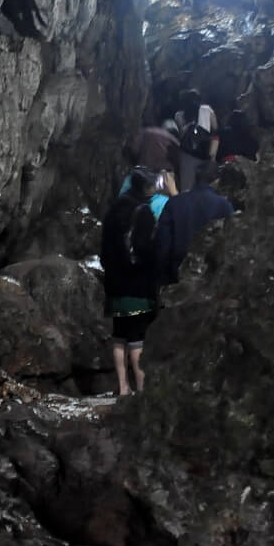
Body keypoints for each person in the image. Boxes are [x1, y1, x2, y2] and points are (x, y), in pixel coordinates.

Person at [99, 166, 163, 395]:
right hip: (137, 284)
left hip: (115, 284)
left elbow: (104, 251)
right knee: (137, 337)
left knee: (119, 335)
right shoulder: (143, 212)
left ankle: (123, 386)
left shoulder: (114, 210)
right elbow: (147, 250)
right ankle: (141, 387)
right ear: (145, 188)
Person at [154, 162, 236, 284]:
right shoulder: (224, 206)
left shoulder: (174, 203)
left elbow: (163, 244)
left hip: (176, 274)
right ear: (216, 181)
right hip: (210, 277)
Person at [173, 89, 218, 191]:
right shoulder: (207, 109)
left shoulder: (179, 115)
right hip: (205, 150)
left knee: (187, 184)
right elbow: (215, 128)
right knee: (205, 182)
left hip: (187, 153)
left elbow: (181, 133)